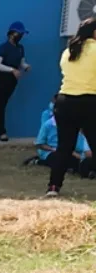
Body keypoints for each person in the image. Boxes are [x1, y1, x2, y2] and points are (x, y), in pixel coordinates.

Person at [45, 17, 96, 198]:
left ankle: (53, 187)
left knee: (64, 148)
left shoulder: (68, 52)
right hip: (89, 102)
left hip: (64, 102)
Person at [0, 22, 31, 142]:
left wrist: (25, 66)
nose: (21, 36)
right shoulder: (3, 47)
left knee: (1, 106)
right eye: (19, 33)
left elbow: (21, 62)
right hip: (0, 80)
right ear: (12, 34)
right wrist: (12, 70)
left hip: (12, 81)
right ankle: (2, 132)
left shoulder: (20, 48)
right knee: (0, 105)